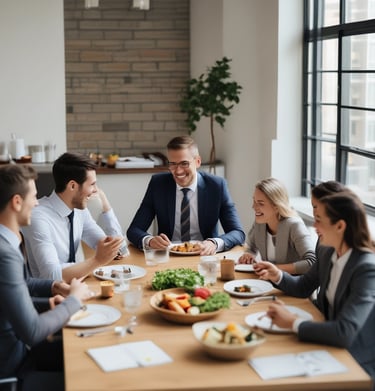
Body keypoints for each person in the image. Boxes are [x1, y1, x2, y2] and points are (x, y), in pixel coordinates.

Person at [254, 191, 375, 385]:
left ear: (340, 226)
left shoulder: (366, 268)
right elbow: (303, 287)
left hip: (355, 360)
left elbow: (345, 332)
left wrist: (293, 322)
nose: (314, 226)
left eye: (319, 220)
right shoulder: (328, 251)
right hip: (325, 343)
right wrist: (277, 274)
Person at [0, 164, 93, 390]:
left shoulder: (7, 242)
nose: (37, 203)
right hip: (16, 370)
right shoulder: (5, 254)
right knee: (91, 372)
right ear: (17, 202)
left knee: (91, 349)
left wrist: (53, 288)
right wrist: (74, 300)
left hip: (19, 352)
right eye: (33, 196)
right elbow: (32, 331)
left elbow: (19, 287)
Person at [126, 136, 245, 255]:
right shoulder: (158, 184)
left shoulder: (216, 186)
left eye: (184, 163)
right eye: (173, 164)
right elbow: (134, 230)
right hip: (169, 255)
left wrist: (214, 243)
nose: (178, 171)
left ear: (197, 162)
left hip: (204, 255)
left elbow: (237, 232)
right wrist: (150, 241)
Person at [22, 152, 124, 282]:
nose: (95, 190)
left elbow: (115, 249)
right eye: (92, 184)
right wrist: (96, 261)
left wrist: (106, 206)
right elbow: (50, 275)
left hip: (76, 286)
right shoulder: (38, 217)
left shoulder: (79, 209)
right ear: (72, 186)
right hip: (49, 296)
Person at [238, 177, 316, 274]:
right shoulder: (260, 223)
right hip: (268, 281)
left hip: (293, 285)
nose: (254, 207)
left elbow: (312, 262)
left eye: (260, 203)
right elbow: (251, 248)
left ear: (276, 206)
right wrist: (248, 255)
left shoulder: (294, 225)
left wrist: (274, 269)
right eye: (254, 201)